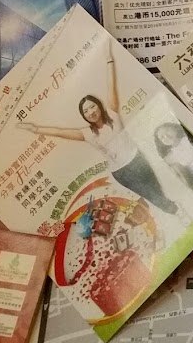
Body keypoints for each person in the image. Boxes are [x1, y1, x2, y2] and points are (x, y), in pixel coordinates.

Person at [18, 44, 181, 216]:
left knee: (157, 188)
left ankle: (174, 209)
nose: (91, 112)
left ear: (99, 106)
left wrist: (109, 60)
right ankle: (176, 212)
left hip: (137, 158)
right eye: (86, 111)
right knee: (151, 195)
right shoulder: (87, 133)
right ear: (84, 116)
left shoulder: (113, 114)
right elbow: (59, 131)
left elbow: (111, 85)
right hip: (122, 172)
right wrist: (35, 129)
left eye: (92, 107)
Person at [154, 122, 193, 188]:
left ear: (174, 129)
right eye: (162, 137)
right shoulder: (171, 156)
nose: (166, 136)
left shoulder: (188, 139)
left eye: (167, 131)